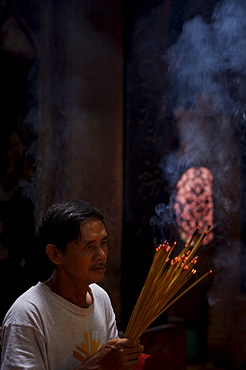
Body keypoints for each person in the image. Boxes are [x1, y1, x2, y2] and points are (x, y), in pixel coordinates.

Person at [1, 199, 144, 369]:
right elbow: (104, 363)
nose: (101, 255)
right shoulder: (28, 314)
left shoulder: (100, 297)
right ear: (56, 254)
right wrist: (97, 364)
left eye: (103, 243)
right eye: (89, 246)